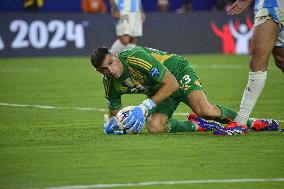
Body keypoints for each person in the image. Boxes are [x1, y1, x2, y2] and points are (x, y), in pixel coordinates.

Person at [90, 46, 279, 135]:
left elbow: (171, 84)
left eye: (111, 63)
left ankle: (254, 122)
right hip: (161, 91)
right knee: (155, 127)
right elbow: (116, 114)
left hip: (177, 74)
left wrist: (144, 107)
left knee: (206, 111)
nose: (110, 71)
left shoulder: (135, 58)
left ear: (115, 55)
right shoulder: (109, 83)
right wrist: (116, 127)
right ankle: (200, 125)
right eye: (103, 70)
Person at [227, 0, 284, 126]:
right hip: (269, 4)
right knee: (258, 60)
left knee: (280, 61)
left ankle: (240, 122)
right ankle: (240, 122)